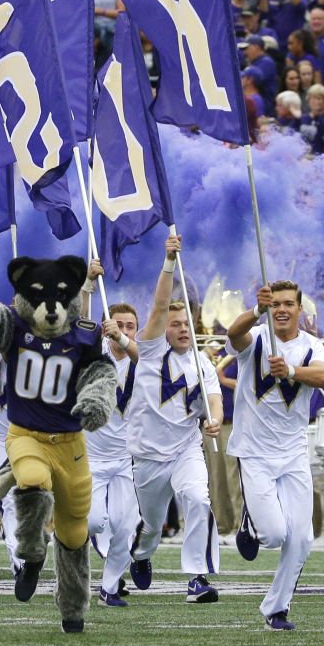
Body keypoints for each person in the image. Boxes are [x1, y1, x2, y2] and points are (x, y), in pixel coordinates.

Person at [227, 281, 324, 630]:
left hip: (292, 453)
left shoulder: (311, 345)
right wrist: (256, 309)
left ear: (300, 310)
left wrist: (289, 370)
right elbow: (234, 333)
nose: (282, 310)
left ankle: (277, 609)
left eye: (289, 304)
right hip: (255, 451)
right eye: (276, 305)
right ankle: (250, 520)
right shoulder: (256, 336)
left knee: (302, 538)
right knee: (273, 535)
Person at [125, 235, 224, 605]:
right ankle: (143, 553)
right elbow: (159, 304)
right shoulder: (150, 351)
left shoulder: (203, 363)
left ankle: (197, 578)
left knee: (198, 498)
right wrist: (169, 261)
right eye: (174, 323)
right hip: (148, 454)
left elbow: (214, 401)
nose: (182, 328)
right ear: (163, 329)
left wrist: (214, 420)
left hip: (185, 448)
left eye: (186, 323)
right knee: (151, 524)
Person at [85, 302, 140, 608]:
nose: (124, 329)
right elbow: (79, 323)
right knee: (94, 522)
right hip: (91, 456)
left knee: (125, 525)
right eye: (118, 324)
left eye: (130, 326)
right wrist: (89, 287)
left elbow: (142, 356)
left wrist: (122, 338)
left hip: (126, 458)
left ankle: (109, 586)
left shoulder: (141, 358)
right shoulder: (94, 356)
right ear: (106, 327)